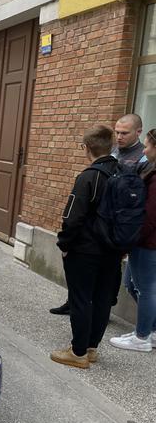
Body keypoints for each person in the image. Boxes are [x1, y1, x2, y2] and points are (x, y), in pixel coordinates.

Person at [50, 114, 147, 316]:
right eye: (117, 132)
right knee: (84, 272)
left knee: (109, 273)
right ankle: (76, 302)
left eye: (124, 133)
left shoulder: (142, 157)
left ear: (138, 132)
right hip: (95, 220)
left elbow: (137, 196)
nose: (119, 137)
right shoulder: (110, 150)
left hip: (116, 223)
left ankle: (103, 306)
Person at [50, 125, 123, 368]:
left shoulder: (88, 177)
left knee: (81, 299)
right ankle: (91, 348)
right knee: (102, 298)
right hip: (112, 249)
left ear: (86, 148)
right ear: (110, 146)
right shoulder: (123, 172)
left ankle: (78, 353)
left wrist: (64, 244)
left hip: (86, 250)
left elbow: (72, 218)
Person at [109, 128, 156, 352]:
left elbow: (149, 216)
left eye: (147, 146)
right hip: (144, 242)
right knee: (131, 283)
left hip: (147, 243)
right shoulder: (151, 170)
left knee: (146, 289)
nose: (144, 151)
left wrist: (132, 239)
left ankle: (142, 337)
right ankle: (150, 330)